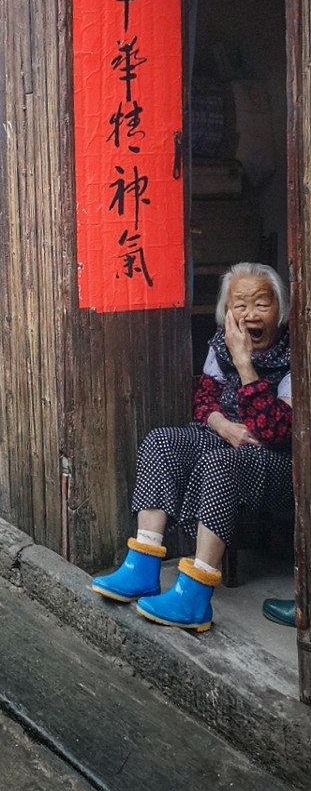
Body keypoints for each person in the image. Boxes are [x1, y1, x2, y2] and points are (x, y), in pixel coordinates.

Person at [92, 262, 293, 632]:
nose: (250, 315)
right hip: (227, 436)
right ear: (227, 311)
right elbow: (203, 401)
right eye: (240, 305)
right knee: (163, 441)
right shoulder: (220, 344)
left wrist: (245, 364)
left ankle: (195, 595)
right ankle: (142, 566)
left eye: (261, 305)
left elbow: (277, 429)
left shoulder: (294, 355)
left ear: (280, 310)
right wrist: (221, 424)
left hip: (277, 462)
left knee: (220, 463)